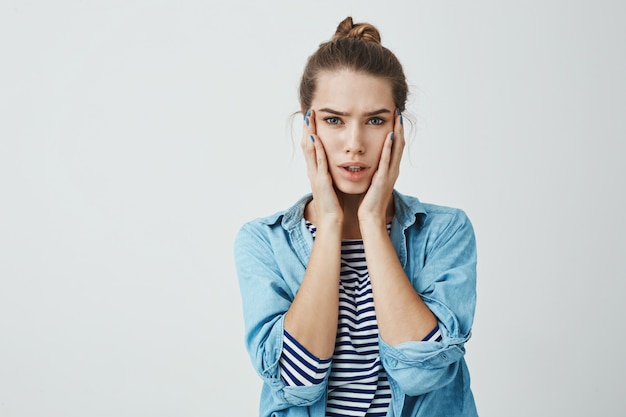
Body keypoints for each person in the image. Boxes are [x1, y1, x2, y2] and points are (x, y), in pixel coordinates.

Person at [234, 16, 478, 417]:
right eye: (334, 120)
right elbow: (298, 381)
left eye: (375, 121)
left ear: (398, 126)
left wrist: (371, 225)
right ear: (308, 124)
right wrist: (329, 223)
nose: (354, 144)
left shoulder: (445, 232)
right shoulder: (264, 242)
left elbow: (423, 375)